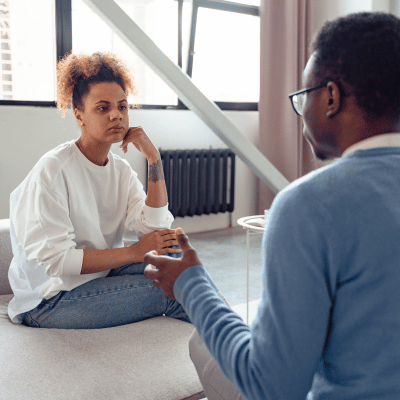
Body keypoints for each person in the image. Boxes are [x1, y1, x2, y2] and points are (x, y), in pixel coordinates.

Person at [144, 12, 400, 399]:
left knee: (203, 343)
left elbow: (273, 387)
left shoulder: (309, 206)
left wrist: (191, 284)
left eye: (302, 98)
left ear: (330, 97)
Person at [8, 52, 190, 329]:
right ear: (79, 115)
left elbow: (155, 225)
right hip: (50, 299)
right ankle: (238, 358)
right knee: (171, 290)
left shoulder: (120, 170)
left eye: (123, 107)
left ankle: (243, 349)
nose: (117, 115)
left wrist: (154, 159)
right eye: (103, 108)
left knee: (178, 258)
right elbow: (59, 261)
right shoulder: (54, 169)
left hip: (99, 276)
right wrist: (134, 253)